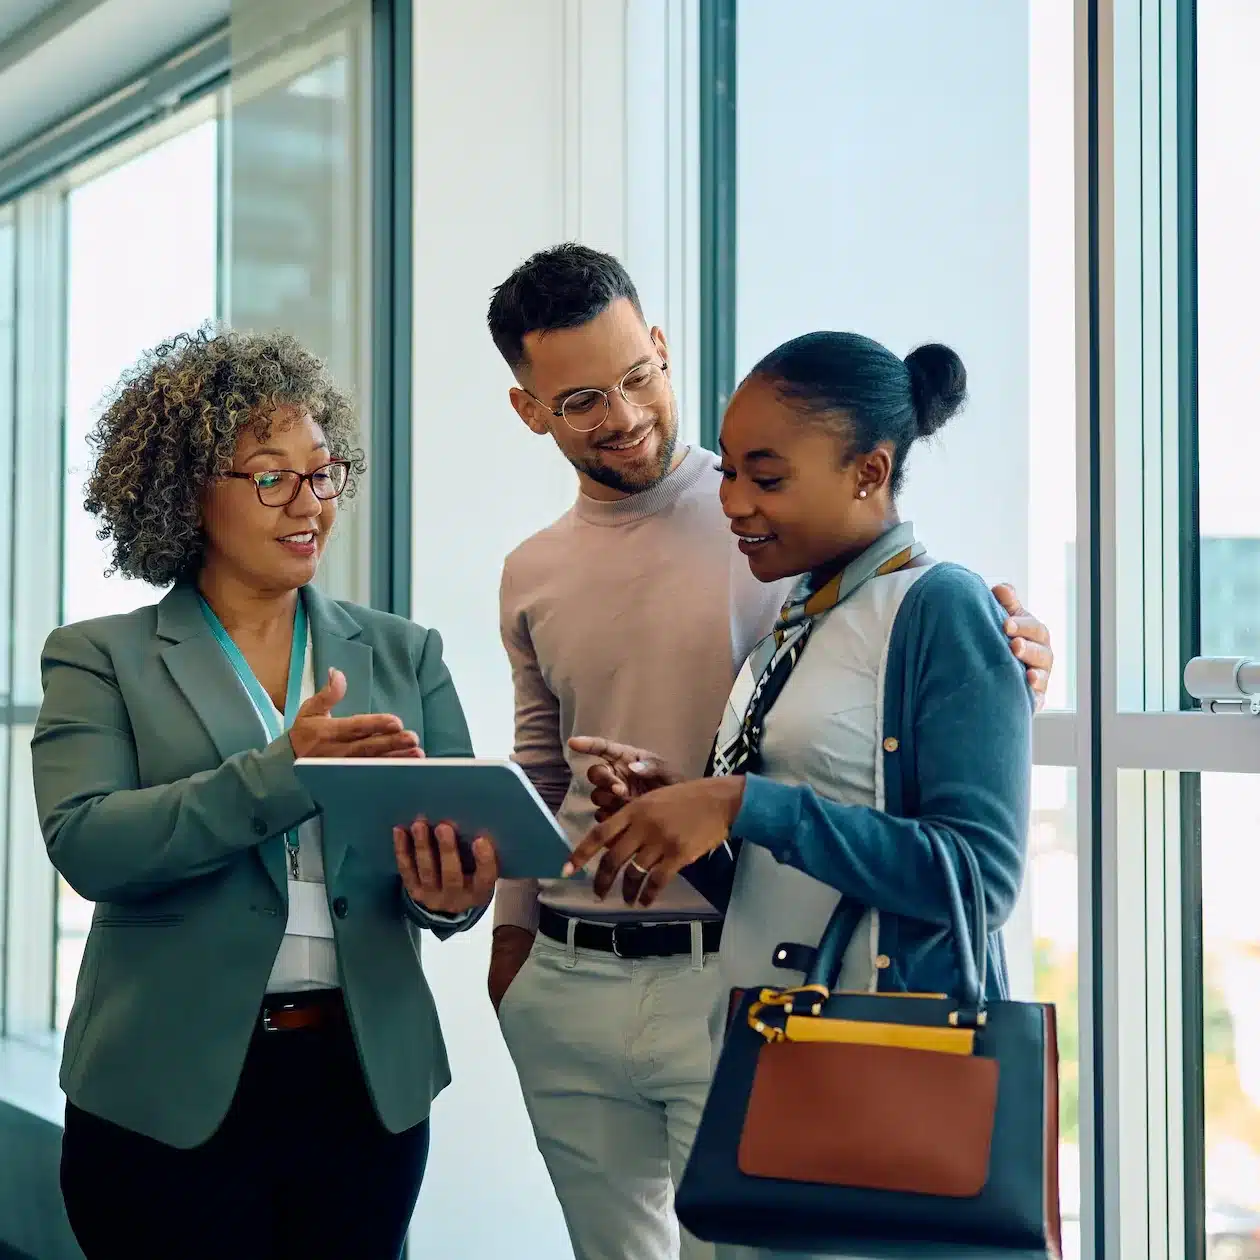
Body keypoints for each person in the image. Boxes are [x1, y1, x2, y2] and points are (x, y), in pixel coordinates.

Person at [486, 244, 1053, 1260]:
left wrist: (737, 803)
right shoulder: (797, 605)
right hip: (712, 992)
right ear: (531, 410)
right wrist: (674, 808)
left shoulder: (887, 590)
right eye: (581, 399)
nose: (736, 501)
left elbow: (976, 863)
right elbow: (586, 778)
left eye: (636, 378)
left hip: (829, 1020)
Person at [32, 328, 496, 1260]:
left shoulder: (404, 653)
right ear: (185, 492)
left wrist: (453, 895)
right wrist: (285, 773)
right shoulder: (100, 656)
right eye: (270, 477)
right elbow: (90, 847)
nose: (309, 505)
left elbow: (453, 842)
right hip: (164, 1089)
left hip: (363, 1084)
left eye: (323, 474)